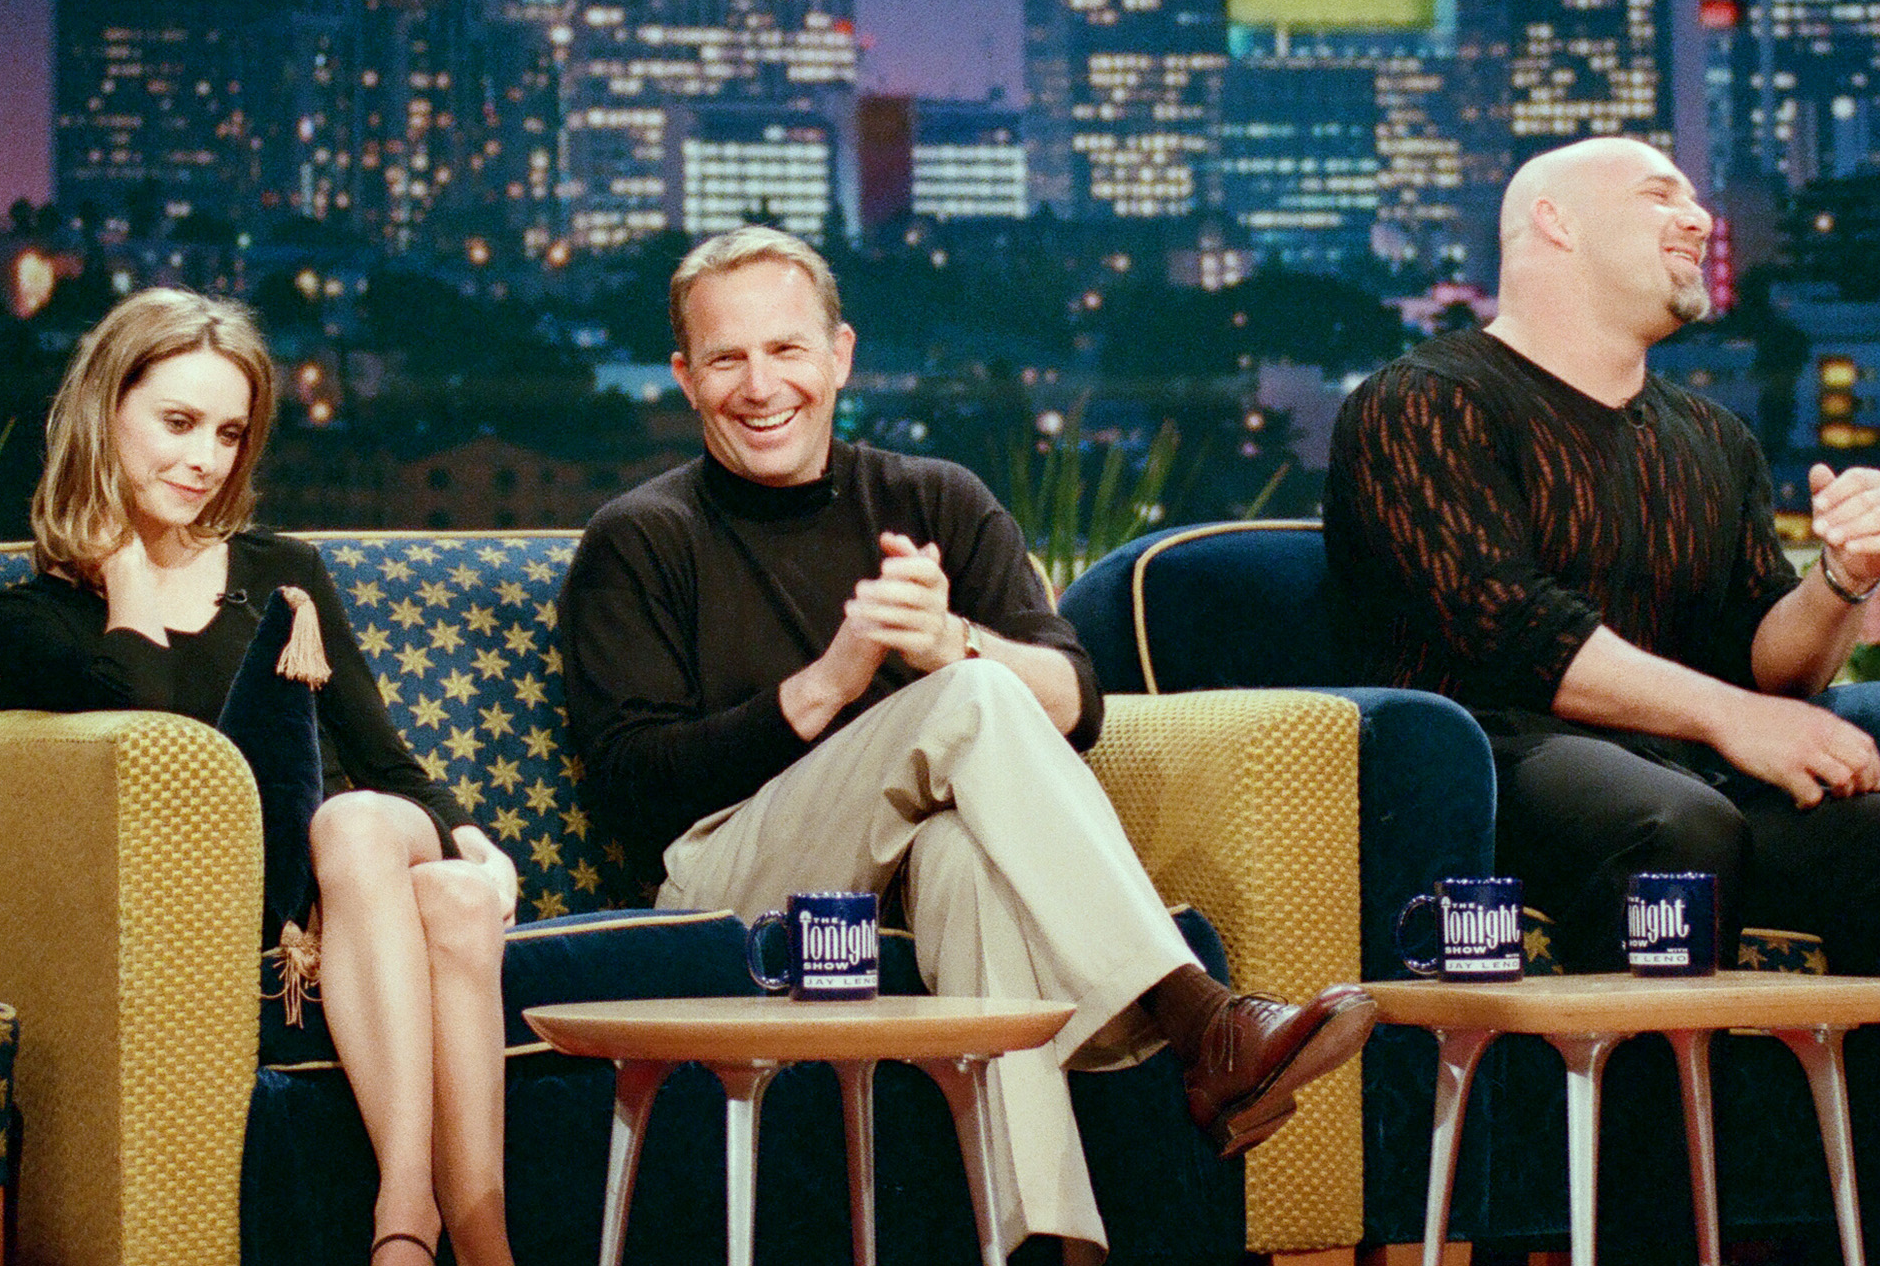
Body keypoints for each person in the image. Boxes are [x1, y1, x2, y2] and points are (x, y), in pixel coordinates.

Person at [557, 226, 1375, 1259]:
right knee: (974, 699)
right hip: (729, 876)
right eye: (727, 358)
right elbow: (635, 786)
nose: (761, 385)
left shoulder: (933, 497)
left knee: (969, 862)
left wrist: (950, 639)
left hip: (907, 873)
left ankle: (1034, 1243)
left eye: (788, 350)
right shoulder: (641, 536)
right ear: (685, 377)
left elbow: (1078, 700)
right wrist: (833, 679)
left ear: (841, 354)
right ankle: (1198, 1015)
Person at [1324, 138, 1880, 1266]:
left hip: (1677, 773)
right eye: (1662, 194)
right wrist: (1727, 718)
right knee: (1676, 829)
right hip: (1485, 775)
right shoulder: (1421, 404)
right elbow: (1506, 624)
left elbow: (1765, 663)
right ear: (1553, 223)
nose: (1700, 217)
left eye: (1699, 197)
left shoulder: (1710, 438)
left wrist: (1843, 579)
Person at [0, 290, 523, 1266]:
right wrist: (133, 584)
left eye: (228, 432)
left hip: (344, 856)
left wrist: (474, 837)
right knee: (448, 906)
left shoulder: (284, 571)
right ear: (105, 414)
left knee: (371, 830)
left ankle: (407, 1212)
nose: (206, 458)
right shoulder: (29, 617)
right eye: (177, 423)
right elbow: (149, 746)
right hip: (253, 908)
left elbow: (382, 755)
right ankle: (484, 1243)